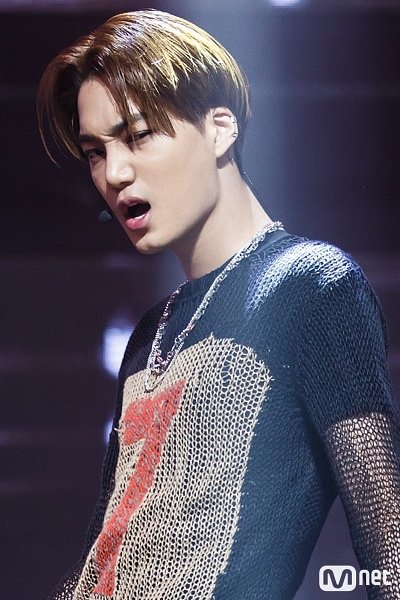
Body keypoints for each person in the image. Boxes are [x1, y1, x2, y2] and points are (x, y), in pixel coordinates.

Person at [37, 10, 400, 600]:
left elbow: (389, 544)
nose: (115, 173)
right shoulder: (151, 333)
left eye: (138, 136)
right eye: (95, 152)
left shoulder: (311, 286)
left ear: (220, 129)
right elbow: (103, 554)